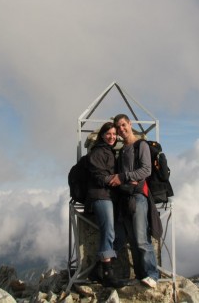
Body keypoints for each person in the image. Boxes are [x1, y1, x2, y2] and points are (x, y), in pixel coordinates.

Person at [109, 114, 160, 289]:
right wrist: (126, 180)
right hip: (125, 198)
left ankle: (152, 274)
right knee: (132, 239)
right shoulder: (123, 150)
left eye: (124, 125)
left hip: (138, 196)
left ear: (130, 124)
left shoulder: (141, 145)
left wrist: (124, 177)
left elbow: (146, 170)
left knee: (141, 239)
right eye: (118, 127)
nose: (121, 129)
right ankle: (140, 276)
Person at [86, 122, 125, 288]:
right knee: (108, 231)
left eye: (114, 134)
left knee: (120, 235)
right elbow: (98, 176)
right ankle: (108, 274)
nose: (112, 137)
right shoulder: (97, 151)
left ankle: (97, 269)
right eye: (108, 134)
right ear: (102, 135)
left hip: (109, 197)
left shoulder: (108, 151)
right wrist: (118, 179)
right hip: (100, 196)